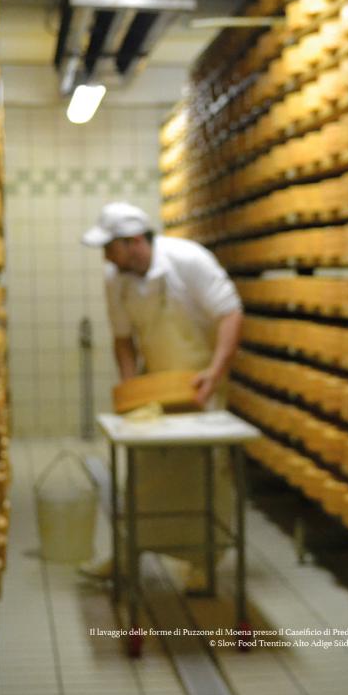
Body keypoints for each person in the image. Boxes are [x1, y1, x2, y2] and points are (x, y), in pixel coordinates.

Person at [80, 201, 243, 585]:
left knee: (206, 472)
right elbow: (123, 339)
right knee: (141, 469)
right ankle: (127, 554)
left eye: (110, 246)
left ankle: (204, 562)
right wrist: (130, 384)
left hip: (202, 381)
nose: (105, 256)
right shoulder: (114, 278)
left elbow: (231, 313)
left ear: (134, 241)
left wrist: (216, 372)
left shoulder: (189, 261)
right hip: (157, 384)